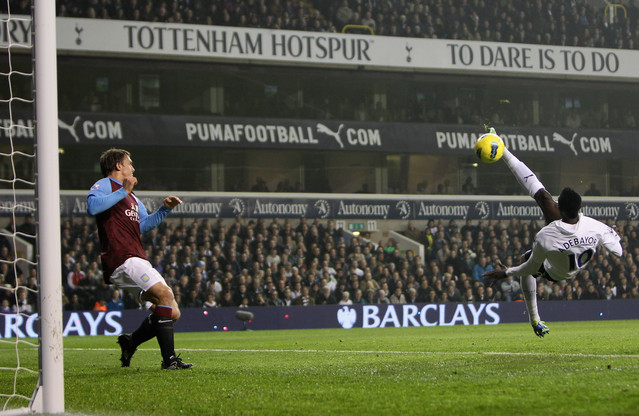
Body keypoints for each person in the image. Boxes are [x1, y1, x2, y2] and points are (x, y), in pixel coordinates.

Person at [483, 130, 622, 337]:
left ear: (563, 210)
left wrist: (507, 272)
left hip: (554, 272)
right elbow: (618, 251)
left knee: (526, 258)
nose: (555, 204)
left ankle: (535, 320)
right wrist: (609, 239)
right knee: (542, 197)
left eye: (558, 203)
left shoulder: (546, 236)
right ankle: (503, 151)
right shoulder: (596, 226)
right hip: (576, 258)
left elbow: (530, 267)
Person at [87, 148, 192, 370]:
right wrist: (122, 192)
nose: (132, 168)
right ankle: (169, 360)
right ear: (118, 166)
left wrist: (164, 209)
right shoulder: (105, 185)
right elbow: (92, 207)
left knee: (172, 312)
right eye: (129, 163)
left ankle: (131, 342)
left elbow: (142, 225)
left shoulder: (132, 196)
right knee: (165, 294)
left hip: (137, 258)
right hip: (121, 258)